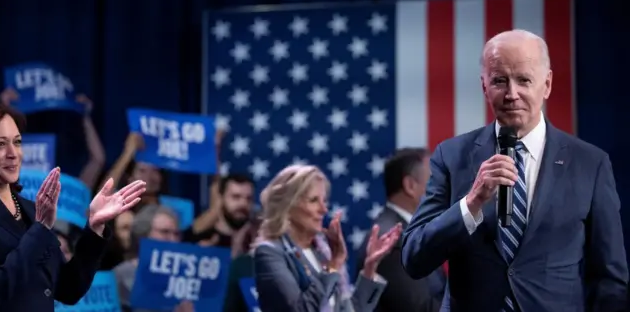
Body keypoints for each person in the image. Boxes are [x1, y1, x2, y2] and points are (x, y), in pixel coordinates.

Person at [401, 29, 628, 311]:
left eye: (524, 80)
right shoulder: (452, 155)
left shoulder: (590, 164)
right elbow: (414, 258)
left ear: (546, 84)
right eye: (499, 81)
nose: (512, 94)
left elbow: (609, 278)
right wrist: (471, 204)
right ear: (484, 87)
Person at [0, 102, 147, 312]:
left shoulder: (31, 209)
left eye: (17, 142)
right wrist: (40, 229)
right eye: (0, 144)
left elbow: (69, 289)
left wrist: (94, 226)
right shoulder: (40, 218)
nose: (13, 153)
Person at [253, 164, 402, 312]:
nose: (324, 209)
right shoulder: (270, 253)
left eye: (324, 201)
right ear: (288, 205)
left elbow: (349, 310)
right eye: (313, 200)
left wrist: (370, 266)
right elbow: (303, 309)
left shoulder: (322, 253)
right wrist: (333, 265)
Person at [356, 147, 444, 312]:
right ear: (410, 186)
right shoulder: (392, 241)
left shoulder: (409, 232)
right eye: (435, 179)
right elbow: (420, 309)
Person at [113, 205, 193, 312]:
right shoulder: (121, 275)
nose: (173, 240)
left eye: (176, 234)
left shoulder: (183, 276)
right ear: (143, 235)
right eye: (164, 232)